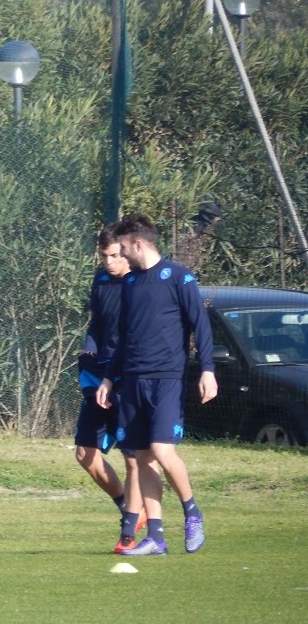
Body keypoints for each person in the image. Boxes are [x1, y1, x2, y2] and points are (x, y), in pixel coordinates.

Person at [96, 214, 218, 556]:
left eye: (122, 247)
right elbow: (124, 337)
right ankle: (156, 537)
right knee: (143, 457)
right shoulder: (131, 283)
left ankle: (192, 513)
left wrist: (208, 370)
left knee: (163, 451)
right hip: (133, 380)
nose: (120, 254)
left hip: (166, 379)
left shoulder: (178, 277)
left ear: (137, 244)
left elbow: (200, 325)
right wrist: (109, 377)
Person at [75, 223, 146, 553]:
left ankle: (129, 531)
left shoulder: (141, 283)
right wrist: (89, 349)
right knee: (85, 454)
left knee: (132, 457)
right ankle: (127, 507)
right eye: (104, 256)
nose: (109, 263)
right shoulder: (101, 279)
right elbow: (96, 323)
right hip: (99, 373)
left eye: (115, 256)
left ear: (127, 252)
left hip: (128, 375)